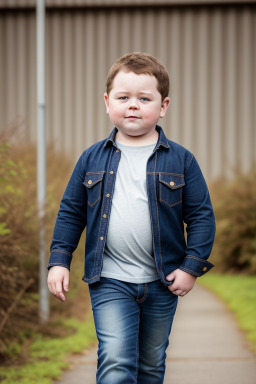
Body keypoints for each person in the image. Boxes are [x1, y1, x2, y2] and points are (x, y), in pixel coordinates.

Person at [47, 52, 216, 384]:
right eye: (124, 97)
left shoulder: (182, 160)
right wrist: (59, 260)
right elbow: (71, 212)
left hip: (163, 281)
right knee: (115, 359)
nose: (133, 105)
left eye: (144, 98)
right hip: (109, 279)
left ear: (163, 106)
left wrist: (191, 267)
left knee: (151, 364)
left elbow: (201, 217)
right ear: (108, 103)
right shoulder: (91, 158)